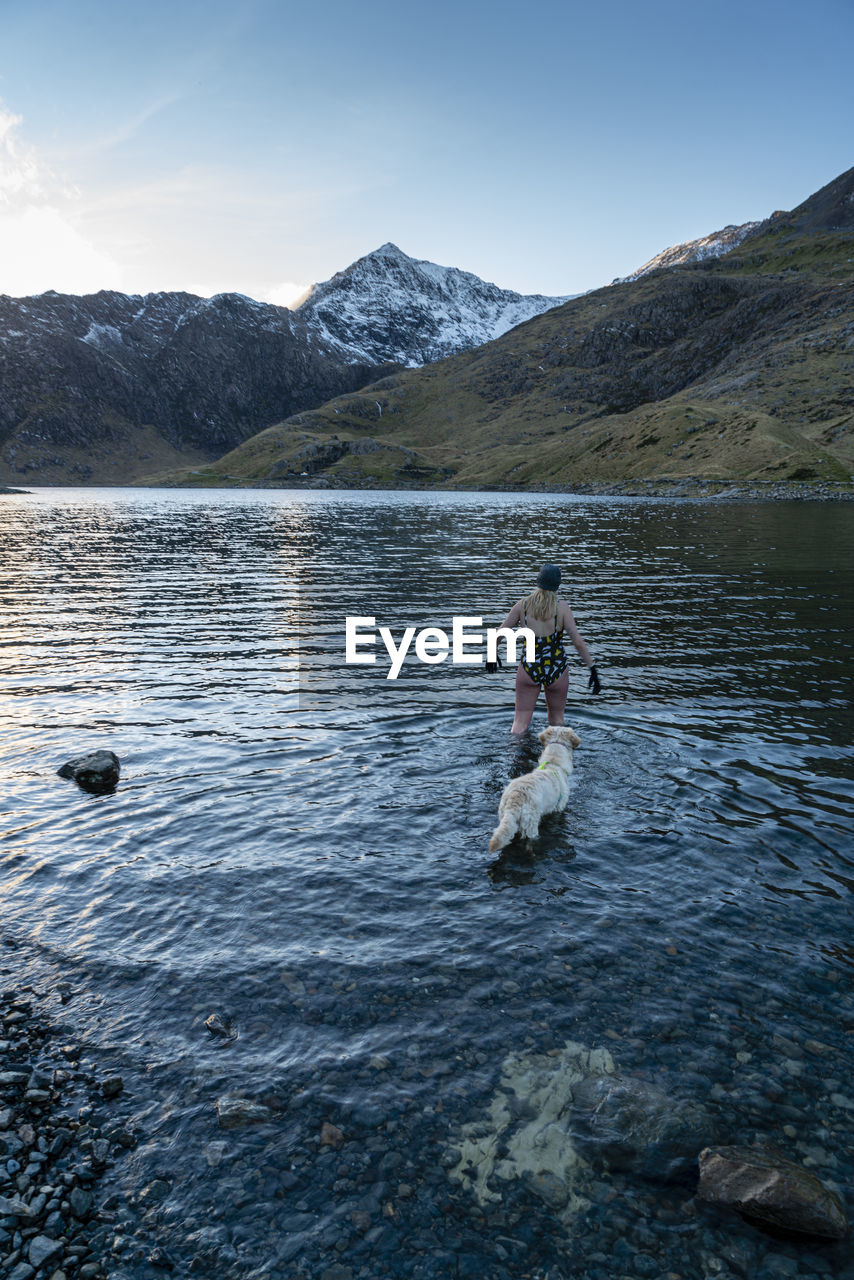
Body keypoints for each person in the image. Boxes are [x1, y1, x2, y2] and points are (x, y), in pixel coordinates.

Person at [490, 564, 601, 735]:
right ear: (558, 584)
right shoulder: (562, 608)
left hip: (529, 667)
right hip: (557, 668)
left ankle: (517, 760)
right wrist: (592, 668)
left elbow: (500, 633)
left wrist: (492, 654)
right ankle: (558, 757)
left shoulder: (523, 606)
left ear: (538, 581)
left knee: (519, 724)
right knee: (557, 722)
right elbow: (577, 641)